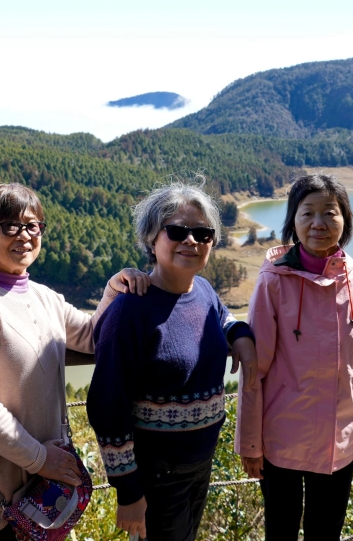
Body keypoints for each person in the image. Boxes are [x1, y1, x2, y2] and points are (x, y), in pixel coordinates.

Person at [0, 183, 150, 540]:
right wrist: (41, 458)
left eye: (32, 225)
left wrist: (112, 292)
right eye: (9, 226)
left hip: (41, 493)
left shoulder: (45, 297)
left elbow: (92, 337)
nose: (24, 235)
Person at [86, 180, 257, 541]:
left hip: (200, 463)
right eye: (177, 230)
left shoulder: (204, 291)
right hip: (157, 475)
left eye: (202, 233)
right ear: (152, 239)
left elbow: (221, 315)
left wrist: (239, 334)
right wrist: (128, 491)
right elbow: (107, 403)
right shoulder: (131, 309)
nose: (191, 241)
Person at [235, 174, 353, 541]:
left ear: (345, 220)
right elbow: (255, 370)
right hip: (281, 441)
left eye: (329, 213)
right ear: (293, 220)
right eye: (307, 213)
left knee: (326, 533)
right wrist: (250, 443)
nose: (318, 223)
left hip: (340, 442)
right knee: (280, 531)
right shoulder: (272, 281)